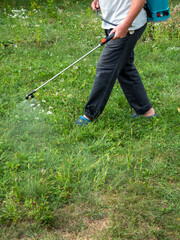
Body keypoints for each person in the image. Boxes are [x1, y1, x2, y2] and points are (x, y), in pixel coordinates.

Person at [76, 0, 157, 126]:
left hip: (127, 25)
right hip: (112, 22)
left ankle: (90, 115)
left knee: (106, 67)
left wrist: (125, 25)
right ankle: (146, 111)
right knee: (125, 67)